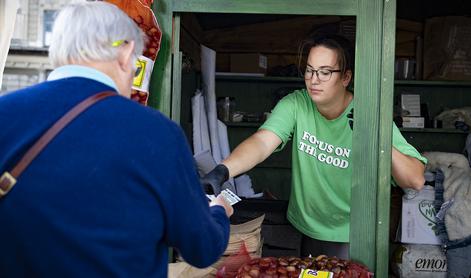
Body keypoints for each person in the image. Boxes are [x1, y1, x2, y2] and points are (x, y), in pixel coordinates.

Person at [0, 2, 232, 277]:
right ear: (125, 54)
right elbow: (201, 248)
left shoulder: (5, 114)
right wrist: (218, 212)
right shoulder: (158, 133)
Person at [202, 33, 426, 259]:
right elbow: (262, 142)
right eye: (309, 70)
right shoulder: (296, 103)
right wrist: (223, 170)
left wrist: (374, 133)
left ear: (346, 77)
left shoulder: (368, 111)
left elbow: (415, 179)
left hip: (352, 233)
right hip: (305, 228)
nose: (314, 79)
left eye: (325, 72)